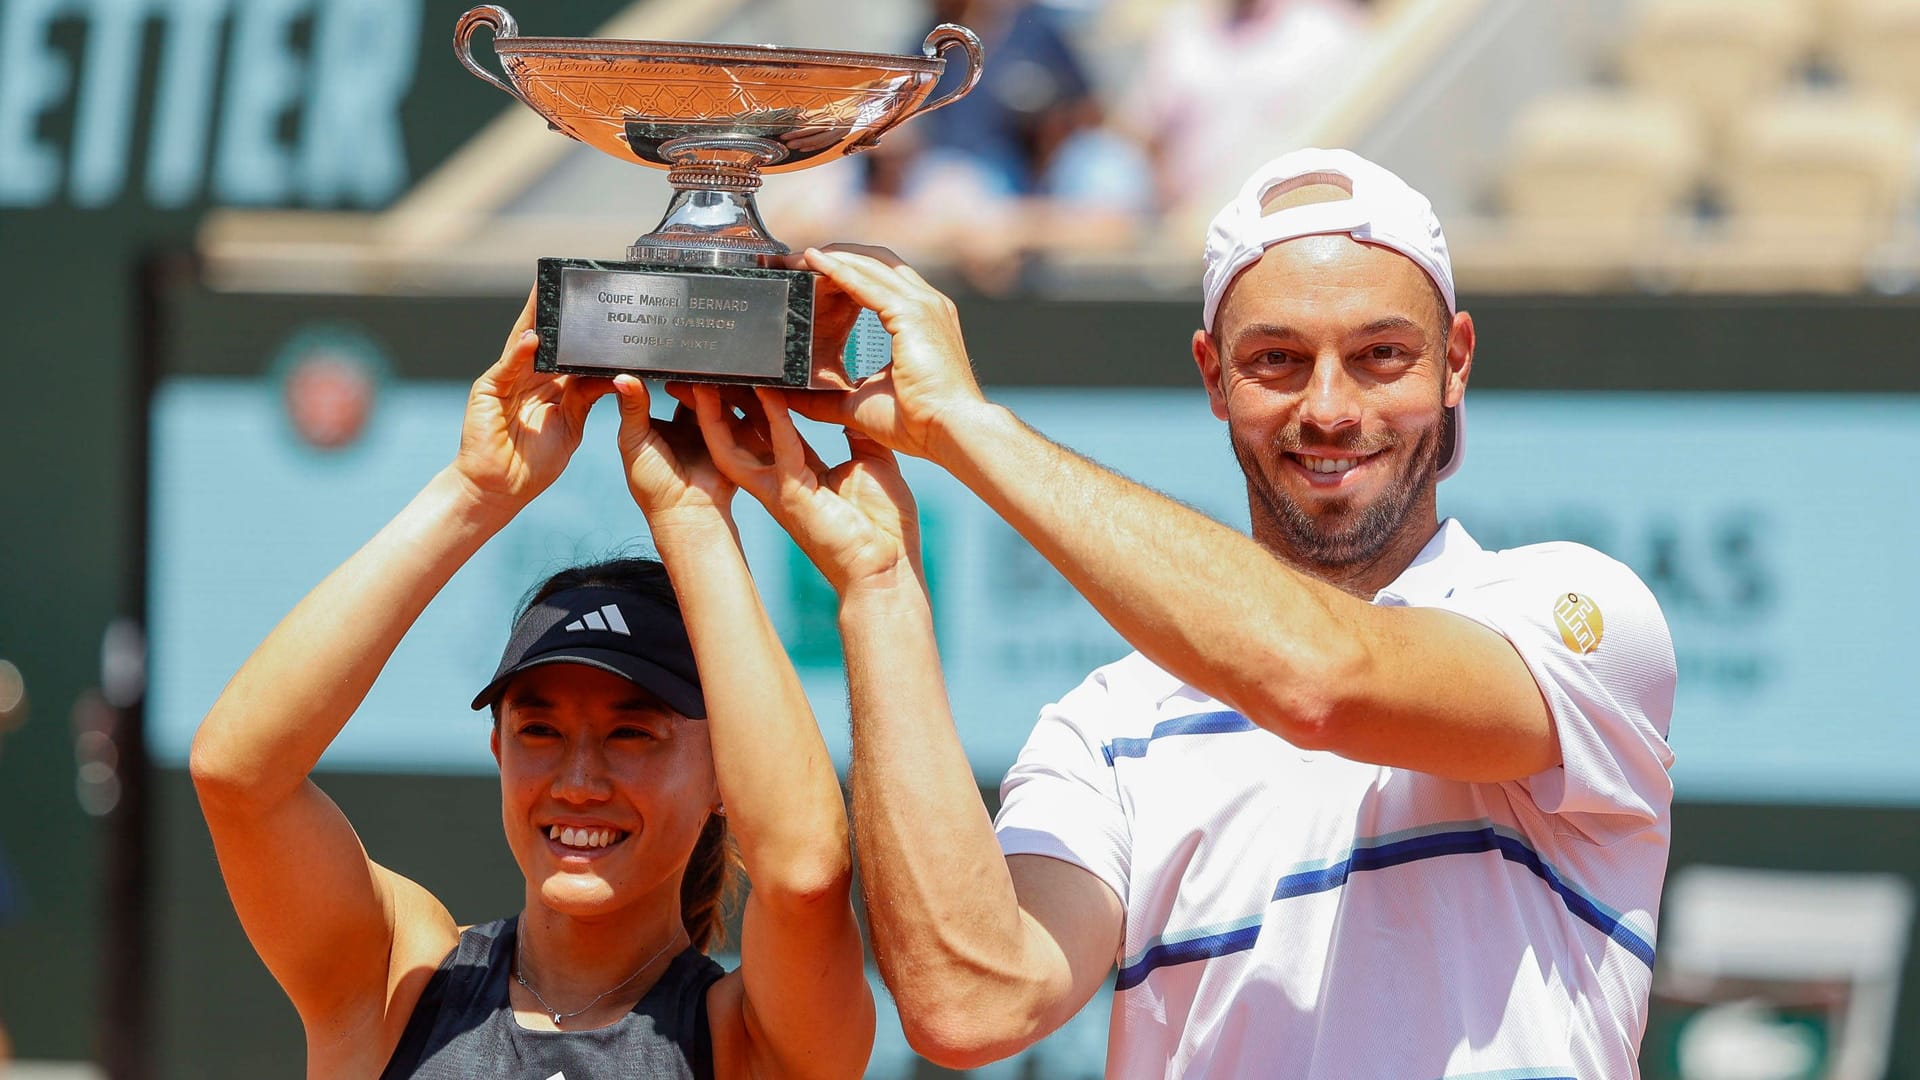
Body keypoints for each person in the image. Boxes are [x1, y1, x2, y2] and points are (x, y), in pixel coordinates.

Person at [720, 148, 1677, 1077]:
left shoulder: (1576, 612)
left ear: (1456, 362)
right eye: (1278, 360)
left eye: (1382, 354)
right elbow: (971, 1004)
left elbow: (1320, 682)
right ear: (1212, 374)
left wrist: (967, 428)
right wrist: (878, 584)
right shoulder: (1109, 727)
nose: (1332, 408)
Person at [189, 295, 874, 1078]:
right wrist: (477, 492)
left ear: (727, 775)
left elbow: (805, 875)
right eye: (540, 731)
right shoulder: (396, 982)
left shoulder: (746, 1039)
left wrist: (693, 520)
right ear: (497, 746)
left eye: (632, 733)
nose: (578, 781)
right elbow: (238, 775)